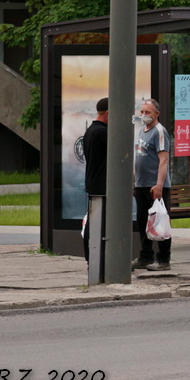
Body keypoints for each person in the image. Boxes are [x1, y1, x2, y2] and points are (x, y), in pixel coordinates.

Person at [133, 98, 172, 271]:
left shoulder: (159, 131)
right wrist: (134, 181)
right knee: (143, 222)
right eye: (142, 112)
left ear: (156, 113)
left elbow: (163, 160)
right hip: (141, 185)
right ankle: (145, 256)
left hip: (154, 185)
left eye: (147, 112)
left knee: (160, 220)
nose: (144, 115)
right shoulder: (142, 131)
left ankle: (163, 259)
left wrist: (159, 185)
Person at [82, 97, 109, 262]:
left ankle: (92, 258)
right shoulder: (103, 132)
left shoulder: (90, 130)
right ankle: (98, 259)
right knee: (101, 224)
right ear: (108, 113)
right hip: (103, 185)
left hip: (93, 183)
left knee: (94, 223)